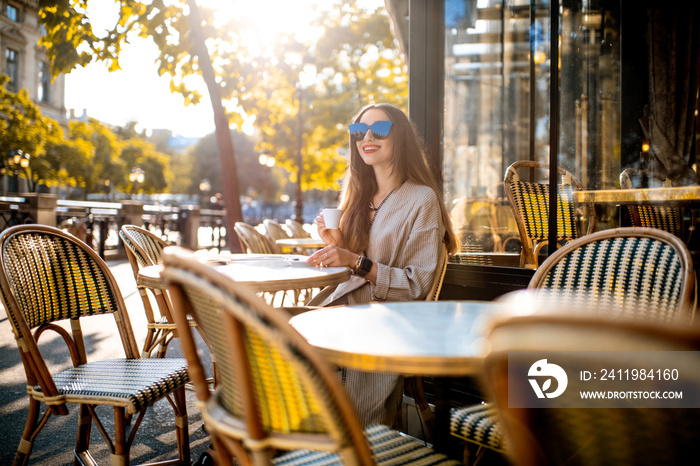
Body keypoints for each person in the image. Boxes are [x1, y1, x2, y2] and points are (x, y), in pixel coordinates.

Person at [306, 103, 458, 428]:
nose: (368, 137)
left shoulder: (422, 200)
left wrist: (355, 261)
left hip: (388, 322)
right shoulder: (357, 196)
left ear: (399, 137)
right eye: (359, 131)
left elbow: (417, 285)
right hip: (342, 310)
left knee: (358, 426)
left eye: (381, 129)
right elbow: (350, 267)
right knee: (261, 334)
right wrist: (336, 245)